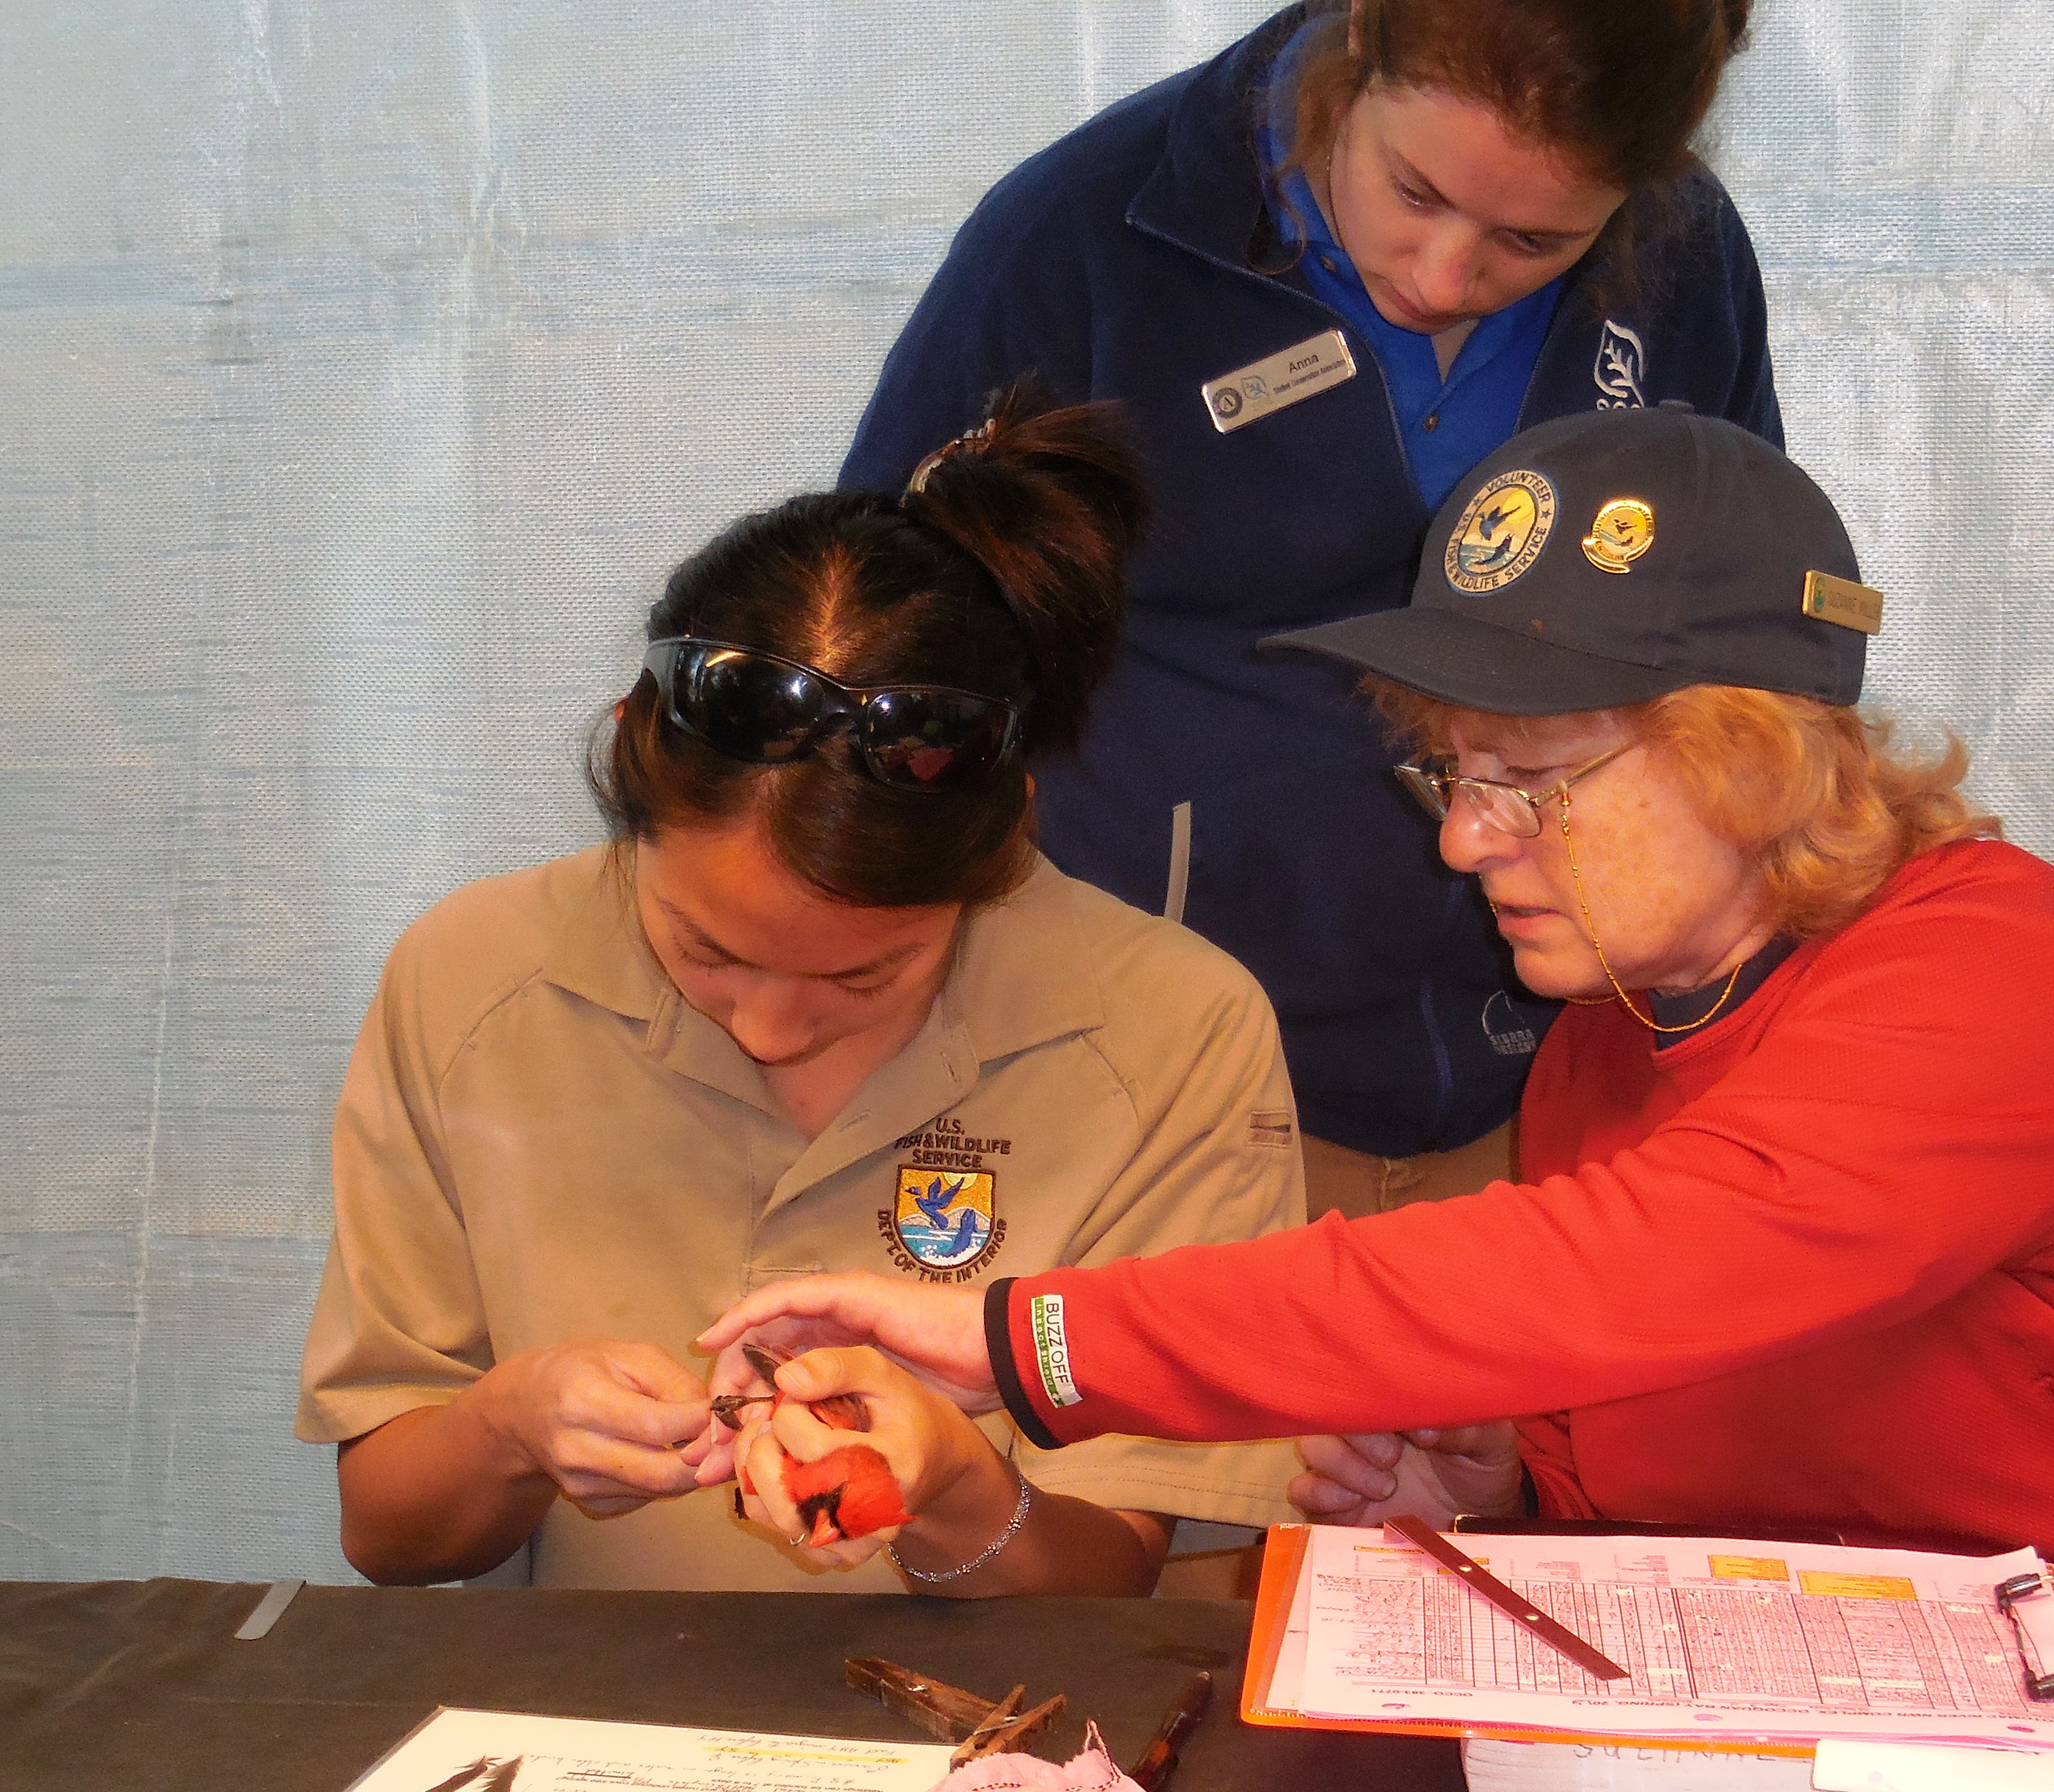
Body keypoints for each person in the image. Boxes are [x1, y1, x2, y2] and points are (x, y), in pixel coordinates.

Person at [698, 404, 2054, 1618]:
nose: (1466, 841)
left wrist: (1024, 1336)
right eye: (1452, 773)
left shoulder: (1996, 969)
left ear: (1751, 757)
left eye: (1528, 780)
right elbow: (1700, 1414)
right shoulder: (1610, 1032)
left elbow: (1629, 1272)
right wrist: (1510, 1493)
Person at [294, 384, 1308, 1592]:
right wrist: (509, 1427)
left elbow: (1110, 1588)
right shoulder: (471, 979)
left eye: (866, 973)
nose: (771, 1029)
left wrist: (956, 1489)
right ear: (628, 763)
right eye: (706, 952)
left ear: (1003, 839)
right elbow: (391, 1538)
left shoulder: (1174, 1032)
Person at [839, 0, 1777, 1226]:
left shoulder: (1688, 257)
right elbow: (888, 644)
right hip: (1165, 1088)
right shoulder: (1082, 239)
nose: (1442, 278)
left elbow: (1746, 643)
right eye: (1414, 192)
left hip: (1562, 1083)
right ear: (1362, 39)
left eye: (1532, 242)